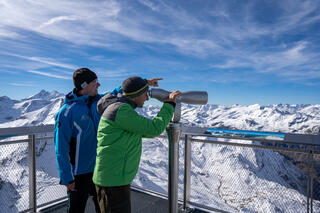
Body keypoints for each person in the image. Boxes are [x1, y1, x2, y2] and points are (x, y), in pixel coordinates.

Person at [92, 76, 181, 213]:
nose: (147, 98)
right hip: (113, 181)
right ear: (135, 95)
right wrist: (169, 104)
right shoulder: (121, 111)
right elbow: (154, 129)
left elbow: (142, 130)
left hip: (113, 177)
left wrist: (145, 82)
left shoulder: (120, 108)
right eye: (145, 93)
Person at [54, 68, 121, 213]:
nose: (99, 85)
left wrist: (143, 82)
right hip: (78, 175)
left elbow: (115, 93)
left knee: (103, 208)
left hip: (98, 169)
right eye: (95, 82)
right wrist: (67, 178)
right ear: (84, 86)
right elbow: (61, 148)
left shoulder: (98, 102)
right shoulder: (66, 112)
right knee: (76, 210)